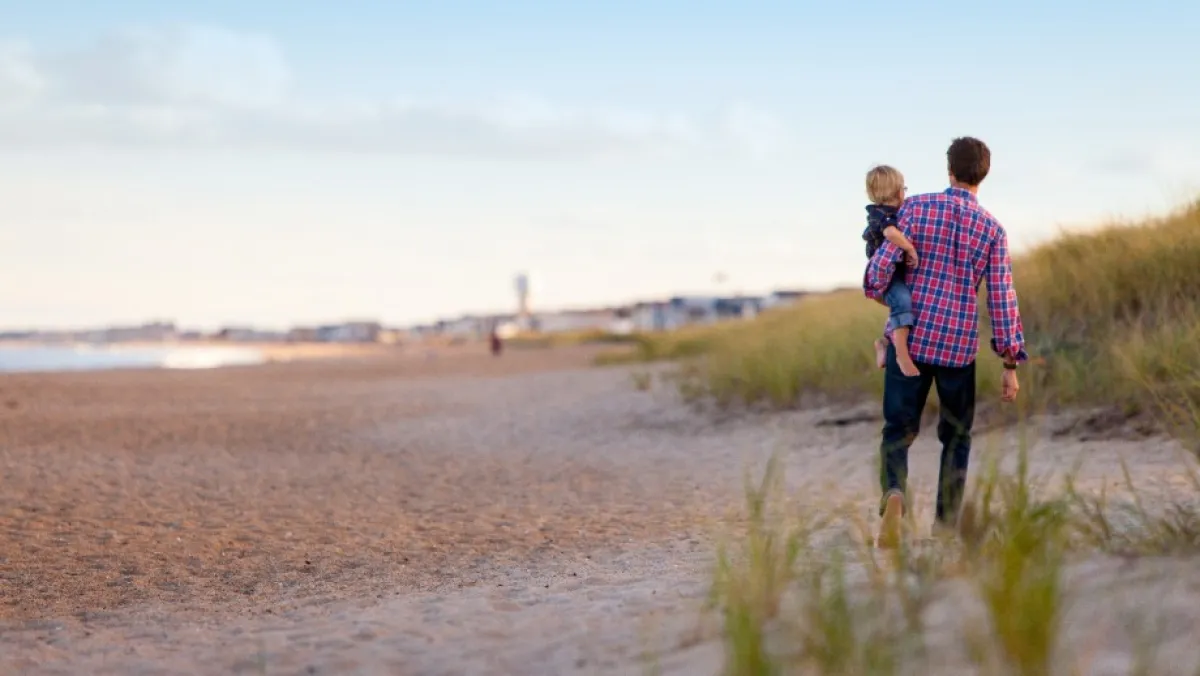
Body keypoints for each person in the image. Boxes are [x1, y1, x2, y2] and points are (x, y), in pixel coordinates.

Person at [863, 136, 1027, 548]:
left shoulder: (915, 207)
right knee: (956, 437)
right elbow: (1002, 297)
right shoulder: (992, 229)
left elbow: (879, 271)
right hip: (958, 348)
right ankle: (946, 525)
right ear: (983, 175)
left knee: (897, 432)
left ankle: (895, 493)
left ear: (948, 169)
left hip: (912, 341)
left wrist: (880, 285)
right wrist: (1009, 364)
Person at [862, 165, 921, 377]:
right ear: (898, 191)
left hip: (895, 272)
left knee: (902, 306)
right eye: (903, 188)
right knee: (903, 301)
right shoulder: (882, 215)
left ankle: (885, 342)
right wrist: (909, 247)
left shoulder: (893, 212)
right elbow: (890, 233)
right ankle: (901, 355)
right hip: (887, 276)